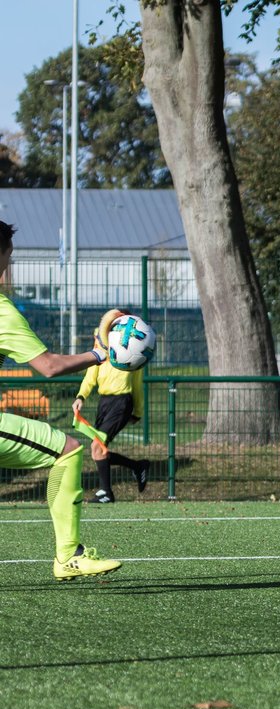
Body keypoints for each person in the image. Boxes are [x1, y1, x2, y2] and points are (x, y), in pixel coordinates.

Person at [0, 219, 124, 580]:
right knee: (67, 449)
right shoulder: (2, 311)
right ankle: (68, 556)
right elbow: (49, 366)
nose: (9, 267)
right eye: (8, 257)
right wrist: (97, 355)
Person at [72, 334, 151, 504]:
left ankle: (106, 492)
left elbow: (137, 383)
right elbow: (90, 375)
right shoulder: (100, 341)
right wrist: (81, 396)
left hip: (122, 401)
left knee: (96, 446)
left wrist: (137, 411)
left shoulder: (133, 346)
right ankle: (137, 467)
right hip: (104, 402)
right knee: (98, 450)